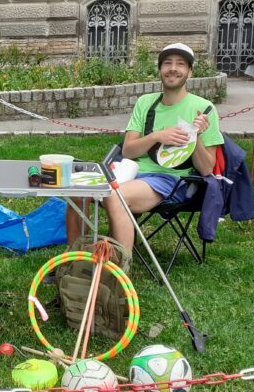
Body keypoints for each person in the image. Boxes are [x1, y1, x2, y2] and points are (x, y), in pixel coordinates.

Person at [66, 42, 224, 251]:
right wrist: (158, 136)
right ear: (160, 69)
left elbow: (206, 169)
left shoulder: (203, 109)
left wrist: (195, 137)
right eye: (167, 63)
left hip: (171, 180)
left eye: (181, 64)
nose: (173, 68)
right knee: (77, 191)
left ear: (190, 71)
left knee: (115, 195)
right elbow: (128, 150)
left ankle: (117, 272)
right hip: (131, 172)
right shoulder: (145, 103)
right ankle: (74, 261)